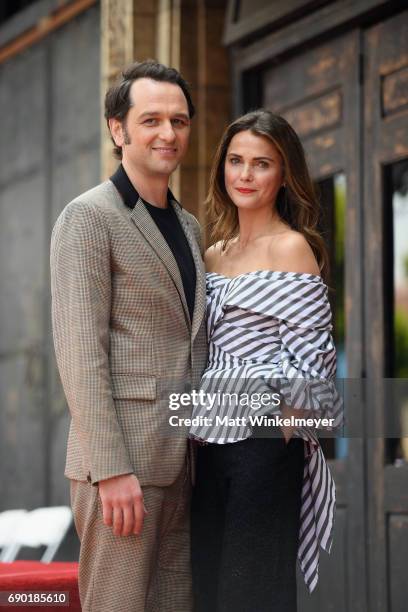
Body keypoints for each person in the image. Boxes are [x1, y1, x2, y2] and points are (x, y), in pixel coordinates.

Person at [50, 60, 207, 612]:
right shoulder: (88, 217)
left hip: (183, 463)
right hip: (124, 469)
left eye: (180, 121)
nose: (169, 133)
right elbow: (79, 352)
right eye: (152, 120)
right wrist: (111, 467)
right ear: (118, 130)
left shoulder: (189, 227)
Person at [189, 109, 343, 612]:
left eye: (261, 163)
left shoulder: (293, 248)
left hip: (262, 441)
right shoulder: (212, 254)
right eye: (235, 161)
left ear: (283, 174)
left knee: (251, 591)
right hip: (207, 441)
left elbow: (313, 362)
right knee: (211, 586)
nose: (245, 175)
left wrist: (277, 432)